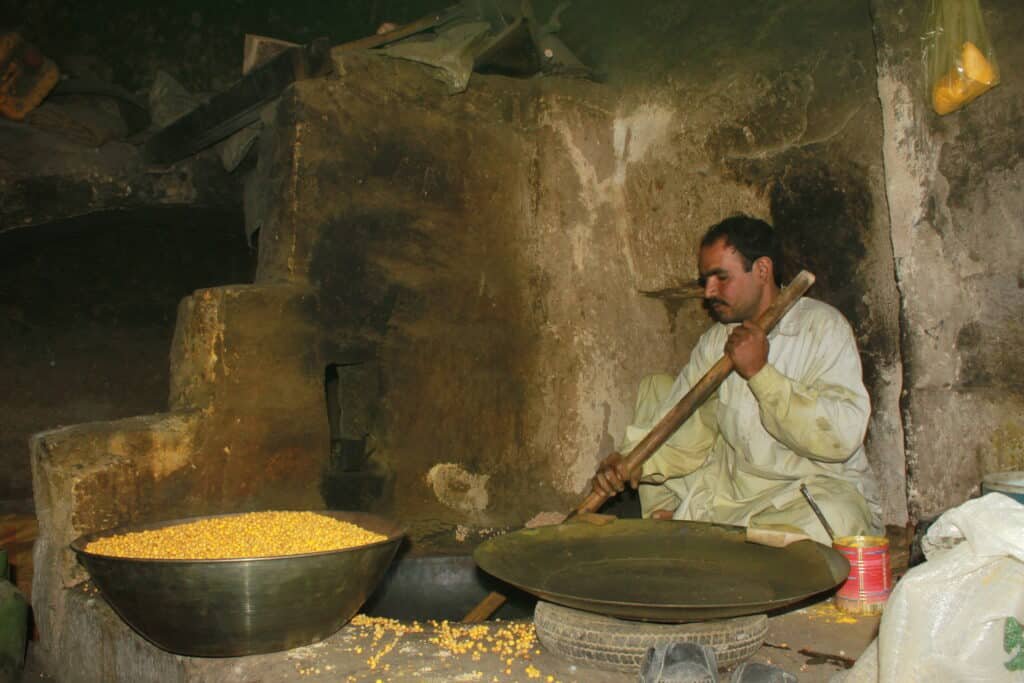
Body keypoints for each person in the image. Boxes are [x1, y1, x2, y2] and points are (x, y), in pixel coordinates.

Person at [591, 215, 881, 544]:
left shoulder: (822, 328)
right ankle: (718, 539)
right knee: (657, 391)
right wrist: (631, 463)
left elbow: (842, 439)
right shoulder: (716, 342)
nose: (708, 291)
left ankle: (725, 544)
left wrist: (761, 374)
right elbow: (684, 430)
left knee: (835, 519)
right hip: (736, 498)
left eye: (720, 277)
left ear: (762, 270)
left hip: (807, 492)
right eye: (706, 280)